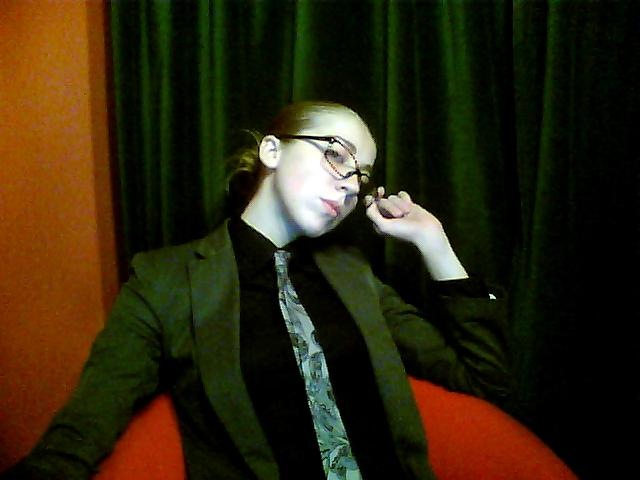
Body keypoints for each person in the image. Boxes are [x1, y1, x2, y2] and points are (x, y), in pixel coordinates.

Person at [3, 100, 511, 480]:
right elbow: (79, 435)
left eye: (360, 175)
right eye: (336, 155)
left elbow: (486, 381)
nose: (350, 184)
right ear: (272, 149)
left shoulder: (353, 274)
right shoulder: (165, 281)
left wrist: (433, 242)